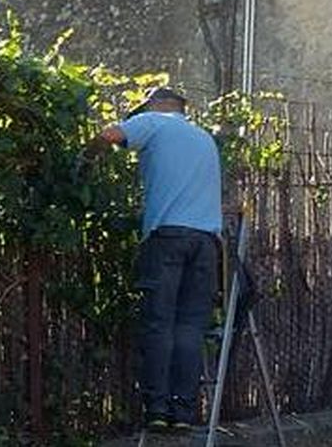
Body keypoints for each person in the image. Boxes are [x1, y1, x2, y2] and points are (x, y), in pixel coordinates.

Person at [92, 86, 222, 433]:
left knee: (159, 323)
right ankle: (184, 412)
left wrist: (89, 156)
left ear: (157, 105)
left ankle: (158, 410)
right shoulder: (205, 139)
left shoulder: (154, 121)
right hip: (206, 243)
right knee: (191, 328)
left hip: (167, 239)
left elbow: (109, 135)